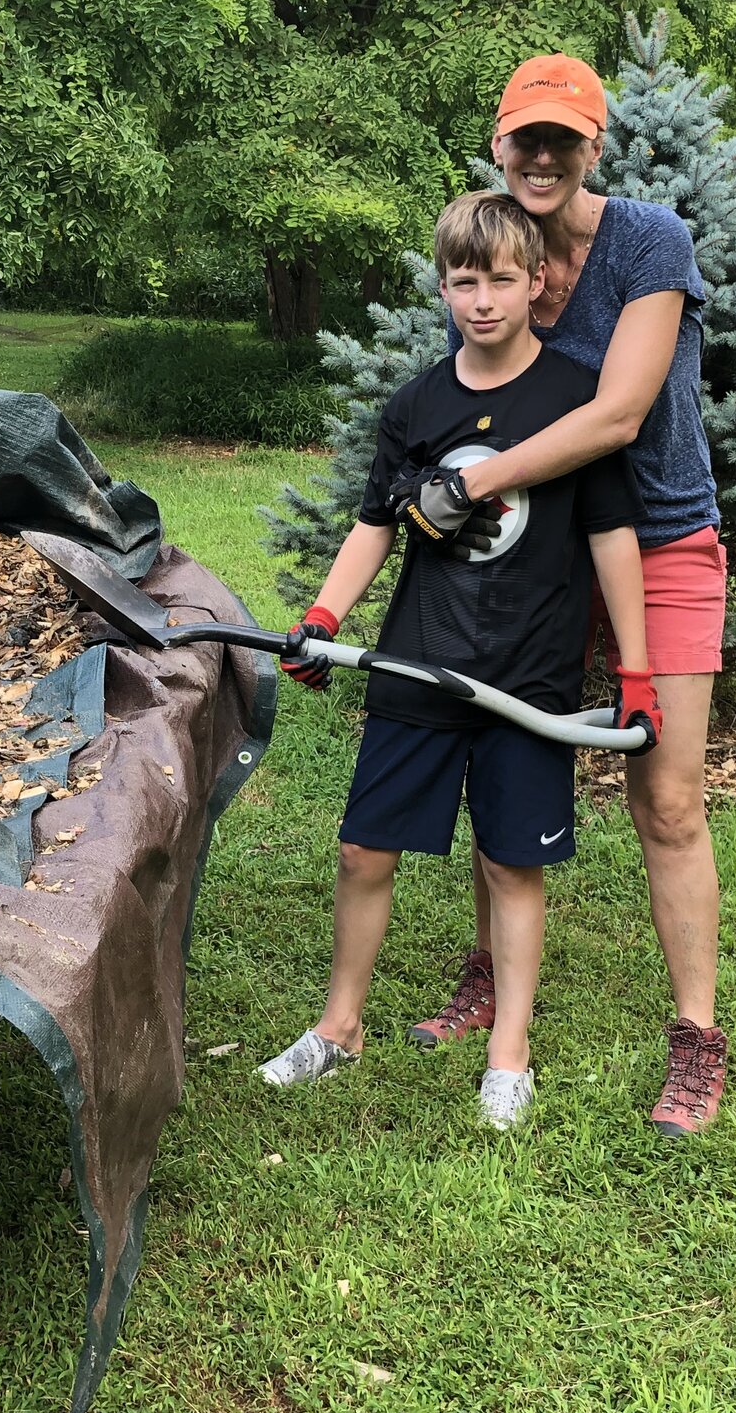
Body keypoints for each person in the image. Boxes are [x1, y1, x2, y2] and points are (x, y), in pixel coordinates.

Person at [257, 190, 660, 1132]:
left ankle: (508, 1054)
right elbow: (373, 527)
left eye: (503, 279)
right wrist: (323, 615)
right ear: (443, 286)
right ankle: (339, 1027)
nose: (482, 299)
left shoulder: (574, 402)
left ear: (540, 282)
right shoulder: (418, 405)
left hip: (529, 677)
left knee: (513, 861)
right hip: (418, 663)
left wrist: (635, 675)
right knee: (363, 849)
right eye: (464, 280)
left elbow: (611, 540)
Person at [393, 53, 731, 1140]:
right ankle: (488, 974)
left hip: (663, 536)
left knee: (666, 797)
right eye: (523, 140)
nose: (541, 158)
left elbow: (620, 413)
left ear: (595, 148)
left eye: (562, 141)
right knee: (500, 757)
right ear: (498, 147)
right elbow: (481, 402)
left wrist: (466, 487)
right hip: (538, 549)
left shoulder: (647, 241)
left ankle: (695, 1038)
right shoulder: (490, 250)